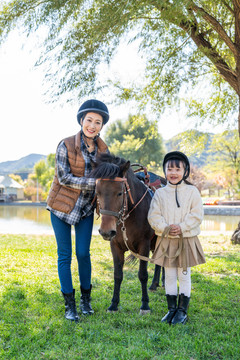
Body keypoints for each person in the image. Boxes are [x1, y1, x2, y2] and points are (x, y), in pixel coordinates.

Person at [47, 99, 109, 321]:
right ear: (81, 120)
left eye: (98, 122)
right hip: (61, 207)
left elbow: (108, 181)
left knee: (83, 253)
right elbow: (63, 177)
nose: (92, 125)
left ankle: (85, 300)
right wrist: (95, 183)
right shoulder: (65, 144)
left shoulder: (104, 150)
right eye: (89, 120)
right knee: (64, 255)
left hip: (85, 209)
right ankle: (70, 305)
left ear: (102, 126)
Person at [147, 151, 205, 325]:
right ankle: (171, 309)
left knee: (184, 275)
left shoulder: (192, 191)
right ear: (165, 171)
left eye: (177, 169)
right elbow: (153, 215)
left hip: (185, 240)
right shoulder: (160, 194)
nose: (173, 173)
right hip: (166, 240)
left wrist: (181, 227)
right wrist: (165, 228)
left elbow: (197, 214)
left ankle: (182, 311)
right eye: (169, 169)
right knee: (170, 275)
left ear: (185, 171)